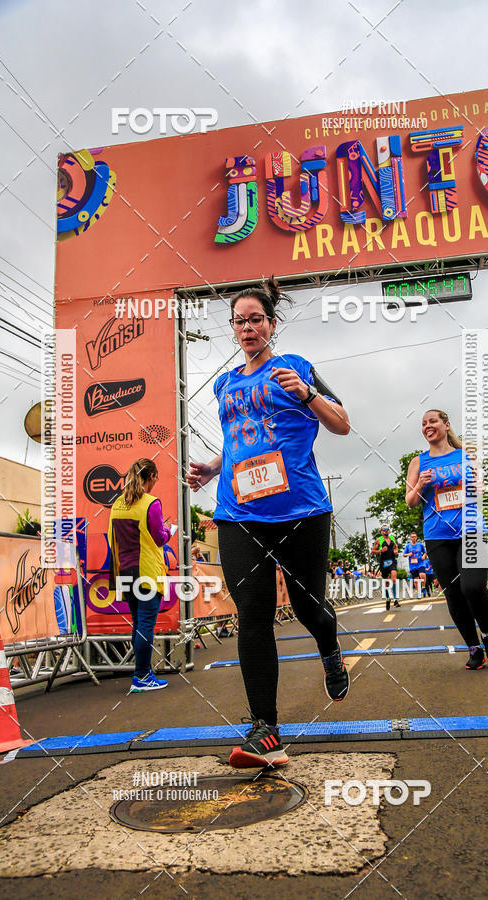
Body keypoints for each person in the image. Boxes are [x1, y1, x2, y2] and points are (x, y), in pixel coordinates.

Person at [187, 277, 351, 769]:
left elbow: (342, 422)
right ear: (234, 329)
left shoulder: (296, 368)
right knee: (252, 613)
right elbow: (243, 441)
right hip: (238, 511)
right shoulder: (225, 383)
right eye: (240, 320)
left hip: (300, 509)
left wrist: (306, 395)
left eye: (256, 318)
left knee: (307, 607)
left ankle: (329, 647)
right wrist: (215, 467)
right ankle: (266, 730)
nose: (248, 326)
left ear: (271, 325)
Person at [405, 409, 488, 670]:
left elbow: (479, 488)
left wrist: (477, 487)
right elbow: (410, 501)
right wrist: (419, 486)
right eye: (423, 423)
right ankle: (473, 647)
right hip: (437, 536)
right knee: (454, 594)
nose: (428, 426)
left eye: (433, 421)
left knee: (472, 586)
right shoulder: (418, 462)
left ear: (446, 425)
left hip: (470, 529)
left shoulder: (464, 455)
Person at [108, 458, 171, 692]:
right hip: (146, 571)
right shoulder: (151, 503)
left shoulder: (117, 504)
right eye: (156, 477)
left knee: (137, 624)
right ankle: (142, 675)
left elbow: (110, 537)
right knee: (145, 625)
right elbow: (159, 538)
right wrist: (168, 531)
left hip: (125, 571)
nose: (156, 481)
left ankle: (142, 672)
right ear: (151, 476)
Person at [371, 525, 400, 610]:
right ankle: (388, 598)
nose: (386, 531)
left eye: (387, 529)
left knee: (394, 578)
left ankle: (395, 599)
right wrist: (380, 551)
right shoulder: (379, 540)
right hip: (384, 563)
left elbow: (396, 546)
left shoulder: (392, 538)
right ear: (381, 531)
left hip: (392, 561)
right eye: (384, 530)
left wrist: (396, 551)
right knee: (386, 582)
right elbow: (372, 551)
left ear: (389, 531)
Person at [403, 531, 427, 597]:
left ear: (416, 538)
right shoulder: (408, 546)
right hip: (412, 565)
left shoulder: (420, 545)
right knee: (416, 580)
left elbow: (425, 552)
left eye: (415, 537)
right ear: (410, 538)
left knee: (422, 575)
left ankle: (423, 587)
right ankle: (419, 593)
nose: (413, 538)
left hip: (420, 563)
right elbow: (404, 554)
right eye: (412, 537)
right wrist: (408, 554)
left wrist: (423, 556)